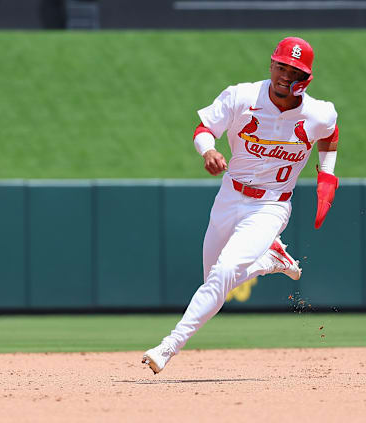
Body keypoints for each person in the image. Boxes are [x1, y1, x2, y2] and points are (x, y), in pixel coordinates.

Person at [142, 37, 340, 373]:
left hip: (270, 206)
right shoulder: (242, 96)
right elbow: (204, 128)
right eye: (281, 66)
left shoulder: (318, 113)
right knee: (213, 283)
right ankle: (271, 259)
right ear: (271, 64)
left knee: (223, 274)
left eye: (294, 70)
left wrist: (327, 176)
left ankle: (168, 346)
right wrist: (208, 150)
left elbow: (330, 133)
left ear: (306, 77)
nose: (285, 75)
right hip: (229, 196)